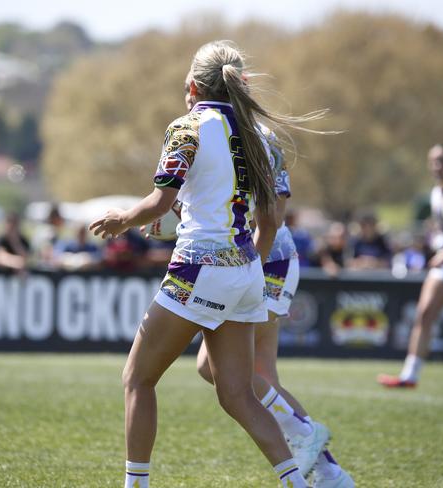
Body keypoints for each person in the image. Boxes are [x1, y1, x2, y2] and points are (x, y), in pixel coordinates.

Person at [91, 40, 311, 488]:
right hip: (248, 269)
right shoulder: (259, 134)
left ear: (192, 85)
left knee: (137, 378)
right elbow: (268, 216)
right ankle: (298, 482)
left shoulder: (188, 126)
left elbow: (158, 201)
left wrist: (121, 219)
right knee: (239, 395)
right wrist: (250, 262)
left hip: (198, 267)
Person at [196, 127, 354, 486]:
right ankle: (330, 473)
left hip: (262, 257)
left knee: (212, 366)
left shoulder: (224, 129)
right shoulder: (260, 131)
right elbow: (277, 205)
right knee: (263, 379)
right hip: (273, 256)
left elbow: (269, 215)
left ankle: (304, 431)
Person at [378, 144, 443, 387]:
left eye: (442, 161)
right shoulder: (435, 193)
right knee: (424, 315)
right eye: (433, 161)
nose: (437, 166)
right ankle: (409, 375)